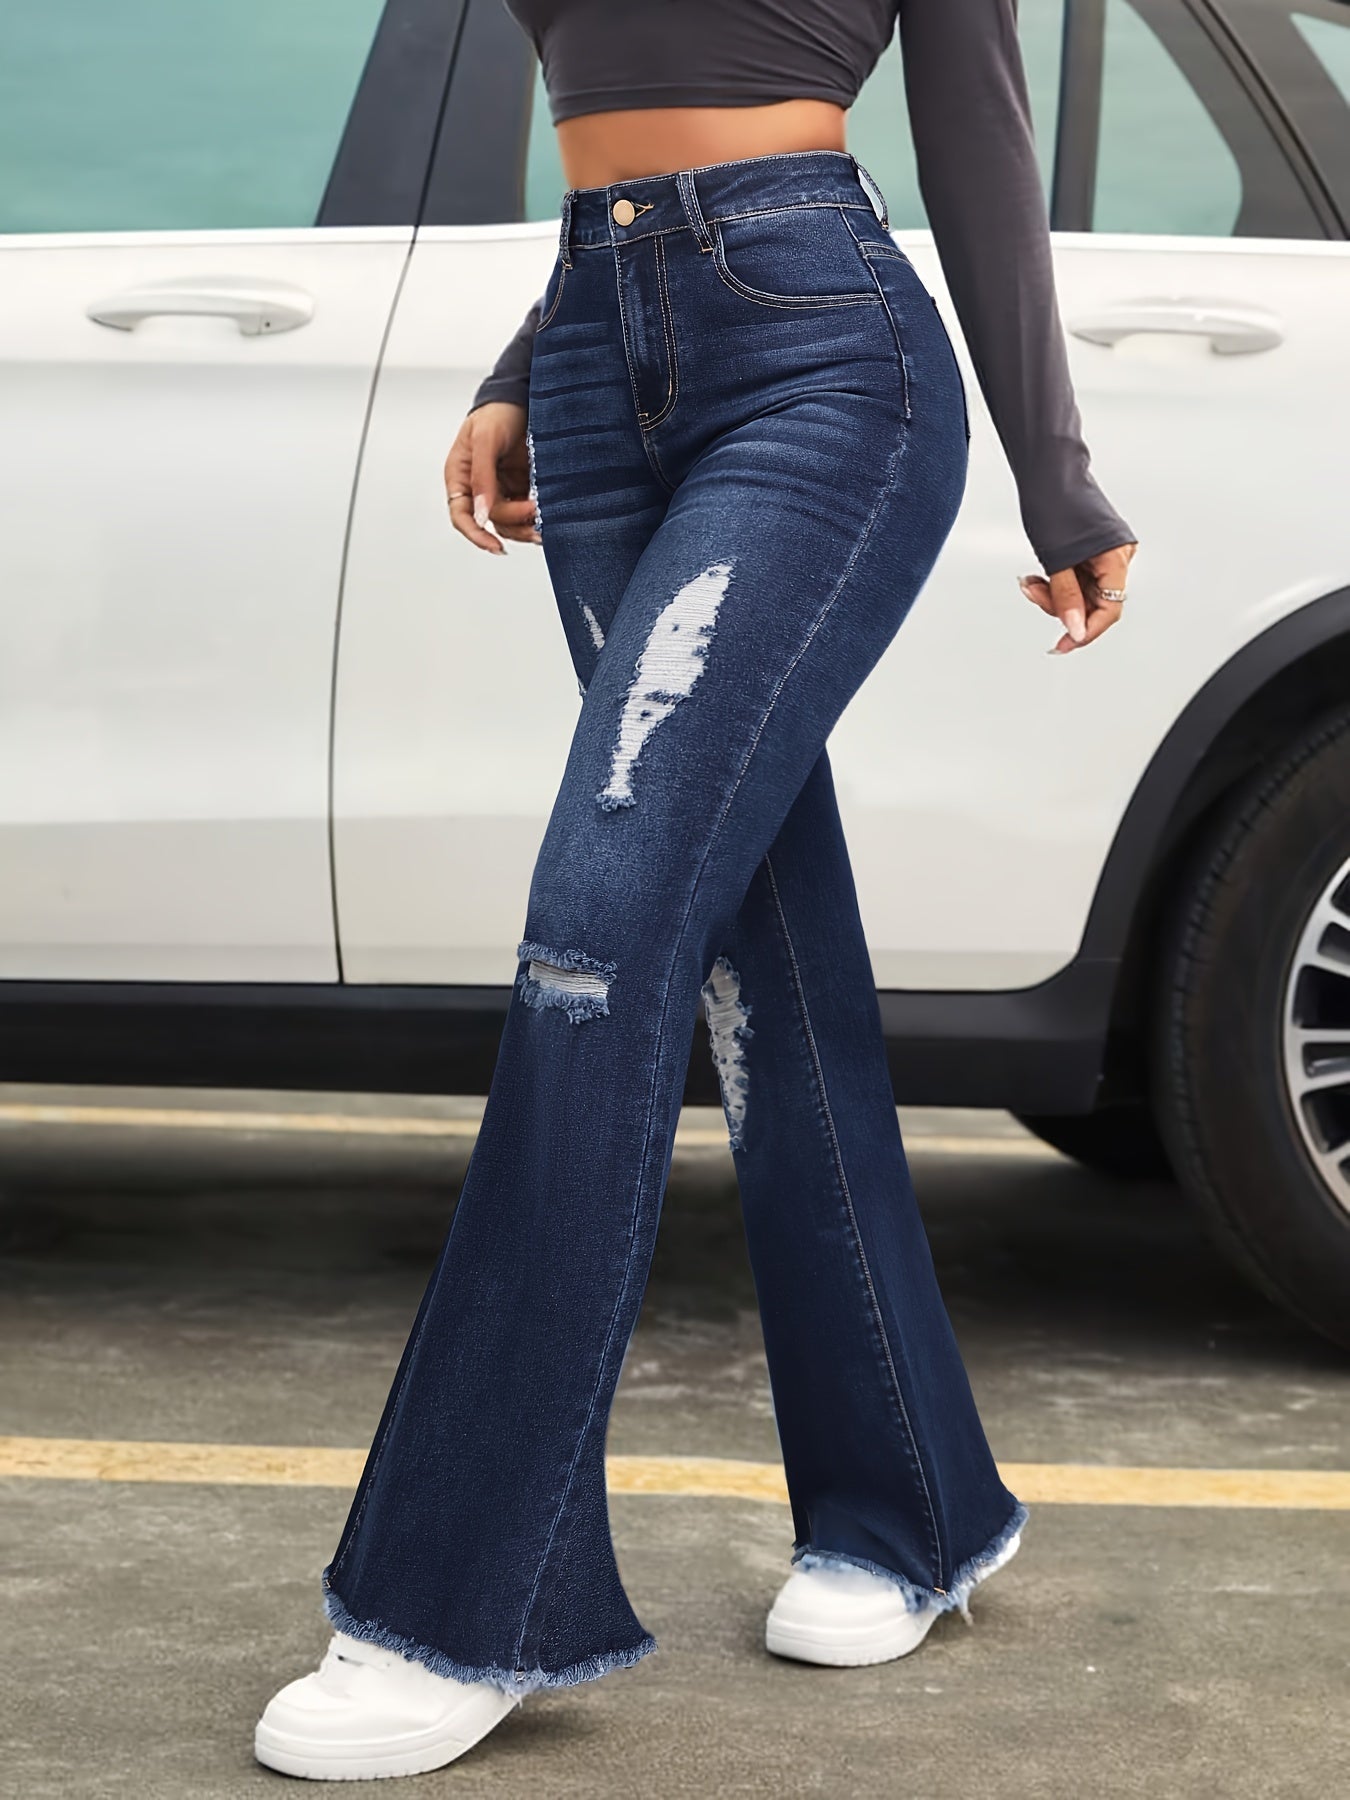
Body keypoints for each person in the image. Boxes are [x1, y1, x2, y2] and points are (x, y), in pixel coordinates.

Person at [255, 0, 1137, 1780]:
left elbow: (977, 133)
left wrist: (1057, 477)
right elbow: (608, 95)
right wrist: (527, 358)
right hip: (595, 354)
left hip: (821, 358)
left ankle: (460, 1597)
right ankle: (909, 1507)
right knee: (758, 954)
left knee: (595, 940)